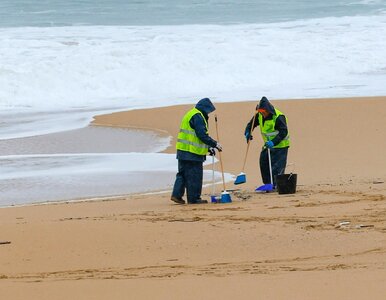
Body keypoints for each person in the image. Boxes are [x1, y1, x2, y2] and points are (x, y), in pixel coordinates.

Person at [171, 98, 222, 204]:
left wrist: (208, 148)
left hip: (182, 150)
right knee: (195, 176)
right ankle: (194, 199)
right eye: (209, 111)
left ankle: (176, 195)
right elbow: (201, 135)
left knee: (182, 174)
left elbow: (193, 136)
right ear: (205, 108)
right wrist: (214, 144)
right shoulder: (198, 116)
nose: (209, 113)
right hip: (192, 153)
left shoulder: (190, 113)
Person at [244, 96, 290, 189]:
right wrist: (248, 132)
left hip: (281, 145)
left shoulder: (278, 117)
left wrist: (273, 142)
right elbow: (250, 124)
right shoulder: (259, 115)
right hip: (268, 145)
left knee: (276, 167)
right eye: (260, 112)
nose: (262, 114)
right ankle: (268, 184)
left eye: (263, 112)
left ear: (268, 110)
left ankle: (277, 185)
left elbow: (283, 132)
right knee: (263, 162)